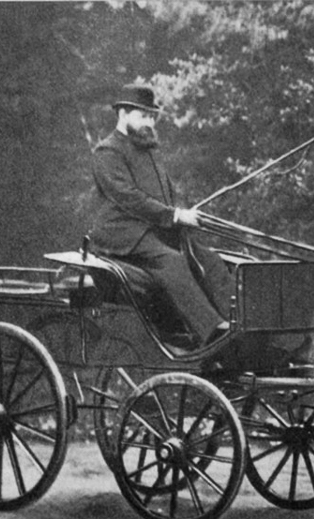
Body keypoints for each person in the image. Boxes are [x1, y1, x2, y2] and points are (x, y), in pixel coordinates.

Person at [88, 84, 233, 347]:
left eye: (152, 116)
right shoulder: (107, 152)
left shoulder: (148, 149)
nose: (150, 122)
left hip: (157, 229)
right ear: (123, 113)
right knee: (173, 262)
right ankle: (213, 333)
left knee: (210, 260)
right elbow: (129, 198)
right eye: (143, 115)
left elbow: (164, 193)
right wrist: (175, 216)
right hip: (123, 235)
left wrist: (183, 217)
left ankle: (236, 322)